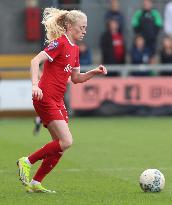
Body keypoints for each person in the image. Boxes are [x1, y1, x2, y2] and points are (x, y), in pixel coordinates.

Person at [17, 8, 107, 193]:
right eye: (82, 27)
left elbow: (76, 78)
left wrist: (94, 72)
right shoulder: (59, 43)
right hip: (45, 97)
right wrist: (35, 85)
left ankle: (35, 183)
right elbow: (35, 61)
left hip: (57, 100)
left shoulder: (75, 49)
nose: (84, 31)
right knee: (66, 141)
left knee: (59, 147)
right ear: (69, 26)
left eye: (86, 27)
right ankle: (26, 161)